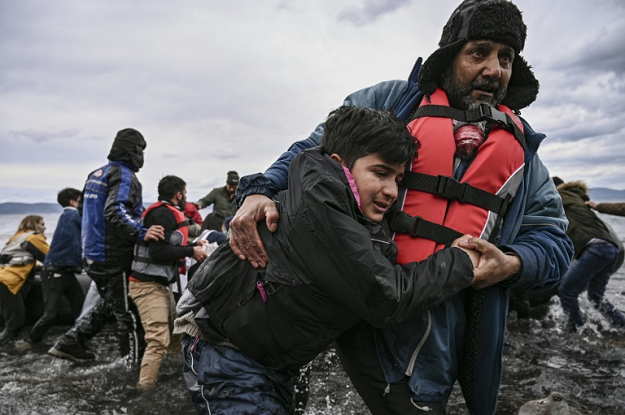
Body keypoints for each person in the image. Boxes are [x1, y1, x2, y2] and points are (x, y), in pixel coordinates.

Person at [228, 1, 574, 413]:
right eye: (478, 52)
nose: (494, 69)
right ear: (450, 56)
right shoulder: (391, 101)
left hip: (434, 334)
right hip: (351, 300)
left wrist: (514, 263)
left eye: (506, 58)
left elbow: (554, 241)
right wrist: (259, 188)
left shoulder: (524, 155)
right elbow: (311, 149)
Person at [175, 106, 481, 415]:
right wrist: (461, 261)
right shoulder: (319, 206)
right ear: (340, 164)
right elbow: (386, 296)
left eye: (398, 179)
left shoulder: (349, 211)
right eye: (380, 172)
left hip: (268, 360)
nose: (391, 191)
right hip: (222, 349)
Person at [48, 128, 165, 366]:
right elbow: (116, 209)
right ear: (134, 150)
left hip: (91, 254)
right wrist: (142, 232)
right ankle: (132, 366)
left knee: (111, 304)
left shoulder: (96, 174)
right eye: (141, 151)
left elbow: (86, 212)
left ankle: (69, 342)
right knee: (128, 314)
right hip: (112, 256)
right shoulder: (123, 175)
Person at [129, 175, 210, 391]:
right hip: (146, 285)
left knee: (176, 335)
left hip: (160, 284)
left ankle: (176, 378)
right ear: (179, 194)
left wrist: (194, 243)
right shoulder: (163, 214)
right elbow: (158, 252)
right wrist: (192, 250)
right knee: (157, 339)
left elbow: (168, 244)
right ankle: (144, 392)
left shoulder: (162, 212)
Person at [556, 180, 625, 332]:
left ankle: (575, 332)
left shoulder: (559, 197)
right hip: (612, 249)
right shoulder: (581, 202)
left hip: (596, 248)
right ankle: (621, 325)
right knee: (595, 297)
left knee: (567, 291)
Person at [24, 188, 85, 343]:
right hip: (55, 272)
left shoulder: (68, 217)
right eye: (81, 202)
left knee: (80, 307)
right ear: (73, 202)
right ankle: (30, 341)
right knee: (51, 314)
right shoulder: (71, 214)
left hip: (66, 272)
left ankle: (77, 340)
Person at [0, 215, 49, 344]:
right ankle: (6, 351)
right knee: (15, 323)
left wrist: (36, 268)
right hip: (9, 284)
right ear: (34, 225)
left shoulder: (16, 238)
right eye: (42, 224)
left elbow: (19, 260)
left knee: (14, 319)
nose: (45, 228)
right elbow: (49, 257)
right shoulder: (34, 237)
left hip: (3, 279)